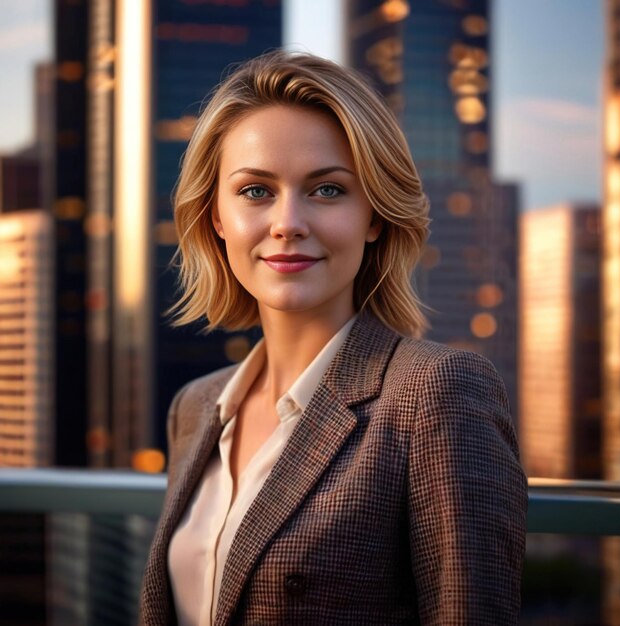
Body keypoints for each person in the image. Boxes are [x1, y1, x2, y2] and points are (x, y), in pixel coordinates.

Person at [139, 51, 527, 626]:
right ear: (216, 217)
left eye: (326, 191)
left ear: (374, 215)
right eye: (254, 191)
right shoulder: (196, 407)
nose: (288, 222)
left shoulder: (436, 394)